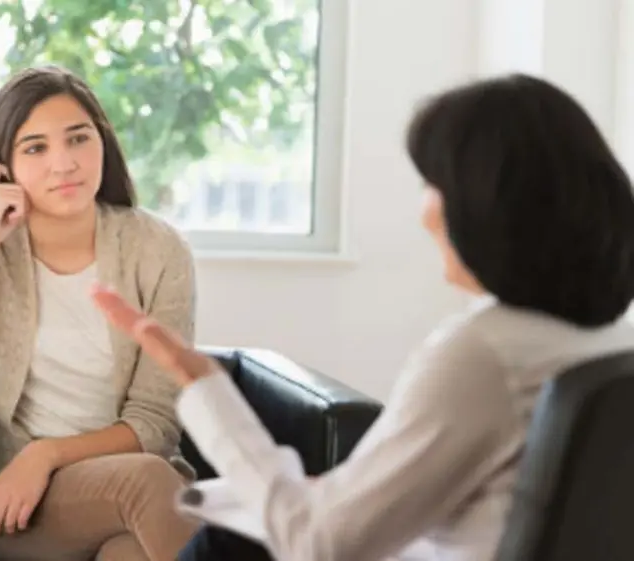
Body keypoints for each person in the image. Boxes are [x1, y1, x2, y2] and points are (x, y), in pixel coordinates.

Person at [91, 73, 634, 561]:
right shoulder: (610, 340)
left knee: (232, 540)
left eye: (433, 185)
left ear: (485, 204)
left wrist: (204, 386)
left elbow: (317, 546)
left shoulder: (484, 352)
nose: (425, 214)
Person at [0, 65, 200, 561]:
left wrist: (47, 455)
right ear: (2, 167)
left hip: (125, 485)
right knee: (147, 483)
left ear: (103, 142)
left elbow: (156, 423)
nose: (64, 163)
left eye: (78, 139)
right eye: (35, 148)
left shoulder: (158, 249)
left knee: (131, 552)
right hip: (14, 505)